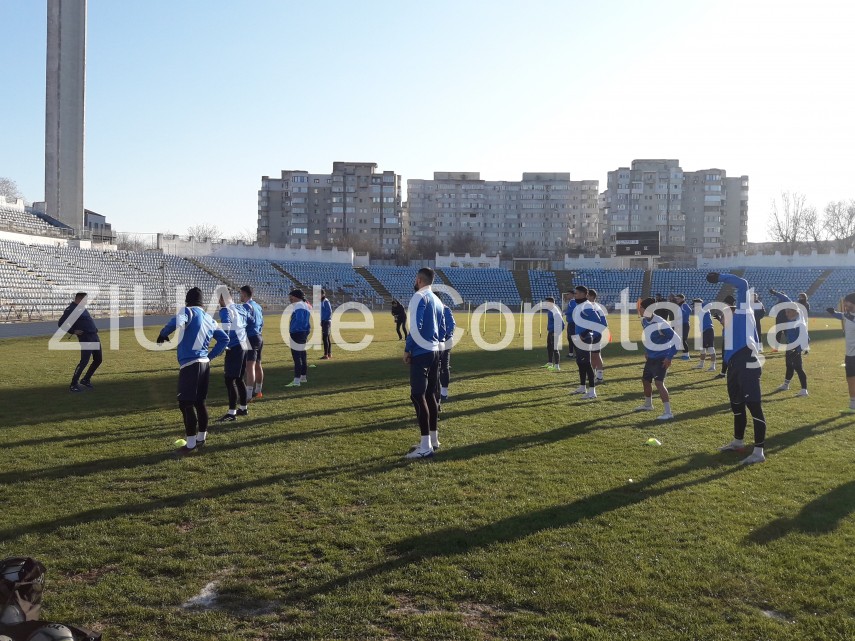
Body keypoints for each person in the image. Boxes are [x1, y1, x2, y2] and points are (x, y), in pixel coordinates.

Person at [157, 287, 228, 456]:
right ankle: (201, 438)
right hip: (204, 364)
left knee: (185, 404)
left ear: (187, 301)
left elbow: (178, 320)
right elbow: (224, 339)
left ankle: (190, 444)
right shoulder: (209, 319)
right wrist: (209, 357)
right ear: (202, 303)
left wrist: (163, 333)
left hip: (190, 365)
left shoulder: (188, 311)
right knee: (200, 402)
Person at [707, 272, 767, 465]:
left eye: (723, 315)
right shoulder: (729, 329)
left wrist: (720, 277)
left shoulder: (742, 315)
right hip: (734, 367)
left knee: (754, 407)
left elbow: (742, 284)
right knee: (737, 406)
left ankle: (758, 452)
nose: (720, 319)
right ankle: (738, 442)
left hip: (747, 365)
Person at [404, 267, 445, 459]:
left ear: (419, 280)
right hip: (435, 351)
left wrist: (408, 349)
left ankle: (425, 446)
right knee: (430, 395)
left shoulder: (419, 296)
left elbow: (415, 327)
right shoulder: (437, 300)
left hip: (422, 352)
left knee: (417, 396)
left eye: (415, 279)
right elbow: (442, 328)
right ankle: (433, 440)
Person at [634, 297, 677, 420]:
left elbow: (676, 340)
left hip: (662, 358)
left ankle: (668, 413)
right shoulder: (644, 321)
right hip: (651, 357)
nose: (639, 310)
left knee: (659, 383)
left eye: (641, 308)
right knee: (645, 380)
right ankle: (648, 405)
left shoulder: (660, 323)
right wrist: (647, 351)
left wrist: (669, 357)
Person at [58, 292, 103, 393]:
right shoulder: (71, 309)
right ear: (79, 299)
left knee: (98, 359)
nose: (86, 301)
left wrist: (94, 329)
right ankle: (73, 384)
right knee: (84, 361)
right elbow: (61, 323)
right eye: (85, 299)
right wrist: (73, 331)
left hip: (94, 336)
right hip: (86, 337)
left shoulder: (82, 308)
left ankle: (86, 379)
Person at [216, 291, 250, 422]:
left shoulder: (225, 310)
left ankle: (231, 413)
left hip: (235, 346)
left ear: (222, 299)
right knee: (239, 378)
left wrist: (223, 344)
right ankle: (243, 408)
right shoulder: (240, 307)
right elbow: (248, 319)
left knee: (229, 380)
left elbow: (227, 327)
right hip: (244, 343)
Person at [570, 285, 601, 400]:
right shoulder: (579, 304)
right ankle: (582, 387)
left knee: (586, 363)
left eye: (577, 293)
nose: (575, 295)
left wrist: (584, 333)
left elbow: (597, 320)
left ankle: (592, 392)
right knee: (580, 362)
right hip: (579, 337)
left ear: (583, 294)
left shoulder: (587, 305)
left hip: (585, 338)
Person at [826, 293, 855, 412]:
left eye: (847, 302)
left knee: (851, 378)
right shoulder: (847, 315)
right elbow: (841, 316)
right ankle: (853, 405)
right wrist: (833, 312)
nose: (845, 304)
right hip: (850, 355)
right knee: (850, 379)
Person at [776, 305, 809, 396]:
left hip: (795, 349)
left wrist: (798, 350)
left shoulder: (800, 324)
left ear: (795, 312)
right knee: (789, 366)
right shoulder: (791, 321)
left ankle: (804, 390)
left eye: (788, 312)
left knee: (798, 368)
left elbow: (806, 339)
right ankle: (786, 384)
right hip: (789, 347)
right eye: (786, 312)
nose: (786, 314)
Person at [240, 285, 264, 400]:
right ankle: (258, 390)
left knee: (249, 366)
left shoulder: (246, 306)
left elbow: (242, 323)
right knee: (258, 364)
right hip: (259, 336)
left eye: (240, 294)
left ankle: (248, 394)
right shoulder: (257, 306)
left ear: (244, 294)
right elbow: (262, 322)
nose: (240, 296)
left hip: (250, 337)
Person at [286, 289, 311, 387]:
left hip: (297, 333)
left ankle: (296, 380)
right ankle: (303, 377)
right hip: (303, 332)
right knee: (303, 355)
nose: (290, 299)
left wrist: (294, 329)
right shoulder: (305, 304)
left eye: (291, 296)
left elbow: (300, 320)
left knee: (297, 357)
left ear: (296, 296)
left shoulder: (298, 305)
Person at [587, 289, 608, 382]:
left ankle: (599, 376)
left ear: (592, 296)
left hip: (595, 335)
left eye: (587, 296)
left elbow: (604, 323)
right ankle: (592, 374)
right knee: (592, 355)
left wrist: (595, 334)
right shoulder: (588, 307)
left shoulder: (597, 308)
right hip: (589, 335)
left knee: (596, 355)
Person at [438, 303, 456, 403]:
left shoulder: (445, 309)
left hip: (445, 341)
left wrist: (445, 336)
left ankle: (444, 392)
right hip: (433, 341)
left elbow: (452, 324)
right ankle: (435, 389)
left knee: (444, 365)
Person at [692, 298, 717, 372]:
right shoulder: (700, 311)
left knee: (710, 348)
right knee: (702, 349)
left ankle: (713, 366)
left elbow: (710, 304)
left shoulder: (704, 308)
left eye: (694, 305)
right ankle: (701, 364)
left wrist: (701, 304)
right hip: (703, 331)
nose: (694, 306)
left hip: (708, 330)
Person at [542, 296, 563, 371]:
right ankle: (550, 363)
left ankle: (557, 366)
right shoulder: (550, 310)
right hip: (550, 331)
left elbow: (562, 324)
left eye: (547, 302)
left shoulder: (555, 311)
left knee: (555, 348)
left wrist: (557, 332)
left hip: (554, 332)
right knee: (549, 347)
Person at [675, 293, 692, 360]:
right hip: (680, 324)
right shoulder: (680, 305)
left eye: (678, 299)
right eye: (676, 299)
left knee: (683, 340)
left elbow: (689, 311)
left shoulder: (684, 305)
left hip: (684, 324)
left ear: (682, 299)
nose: (677, 300)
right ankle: (684, 354)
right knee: (680, 339)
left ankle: (687, 355)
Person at [320, 288, 333, 360]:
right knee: (327, 337)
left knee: (325, 338)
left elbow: (329, 311)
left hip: (326, 321)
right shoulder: (322, 301)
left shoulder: (325, 301)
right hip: (324, 321)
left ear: (323, 294)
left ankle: (326, 355)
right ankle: (329, 354)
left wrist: (325, 319)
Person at [564, 291, 577, 358]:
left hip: (572, 323)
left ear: (572, 295)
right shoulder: (571, 302)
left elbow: (574, 310)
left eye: (568, 294)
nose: (567, 295)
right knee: (570, 338)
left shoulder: (573, 302)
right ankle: (571, 353)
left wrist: (565, 312)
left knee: (573, 338)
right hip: (570, 323)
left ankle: (577, 354)